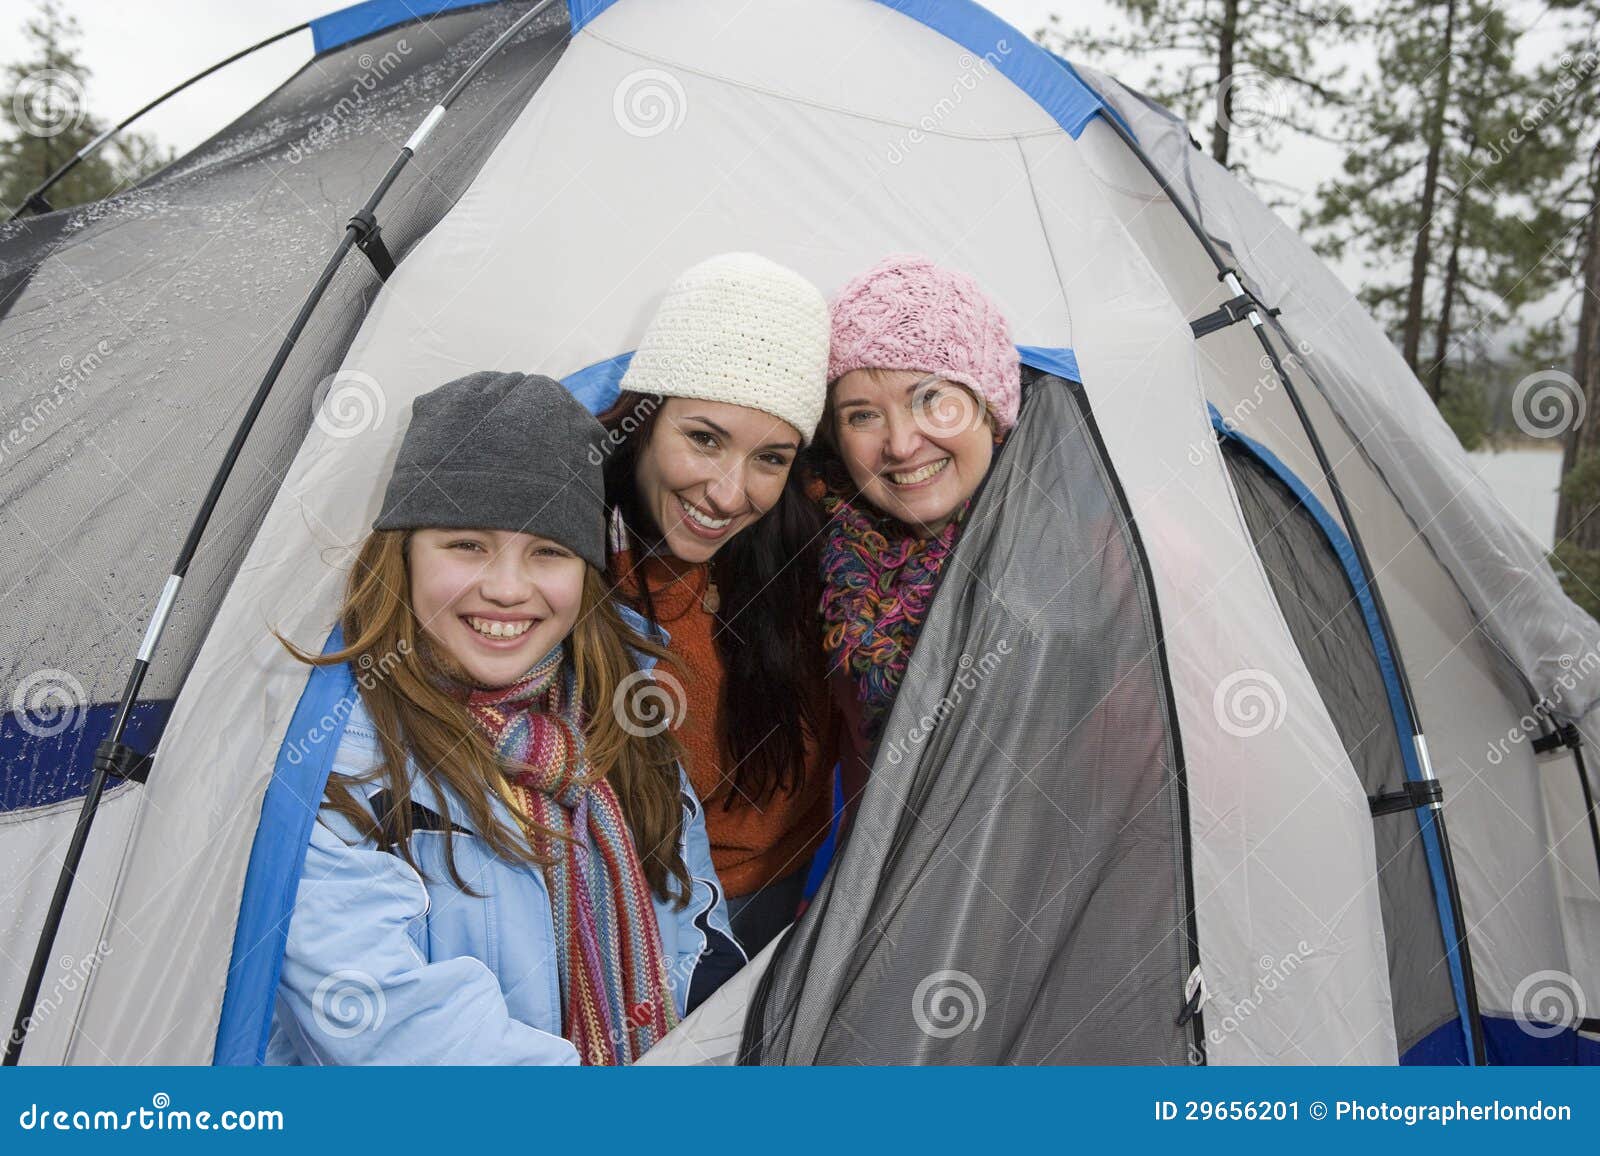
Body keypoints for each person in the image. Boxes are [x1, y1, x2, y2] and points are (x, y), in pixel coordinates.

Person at [265, 371, 743, 1066]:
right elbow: (386, 1029)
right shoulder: (339, 762)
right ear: (401, 554)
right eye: (467, 545)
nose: (508, 588)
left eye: (548, 551)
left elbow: (692, 918)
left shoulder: (620, 723)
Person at [597, 252, 840, 955]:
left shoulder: (815, 551)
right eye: (704, 439)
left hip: (786, 903)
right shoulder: (563, 571)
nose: (731, 494)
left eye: (771, 458)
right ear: (645, 421)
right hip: (645, 926)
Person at [810, 254, 1021, 770]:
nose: (901, 446)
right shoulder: (816, 568)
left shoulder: (1091, 548)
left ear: (989, 406)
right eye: (862, 415)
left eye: (931, 400)